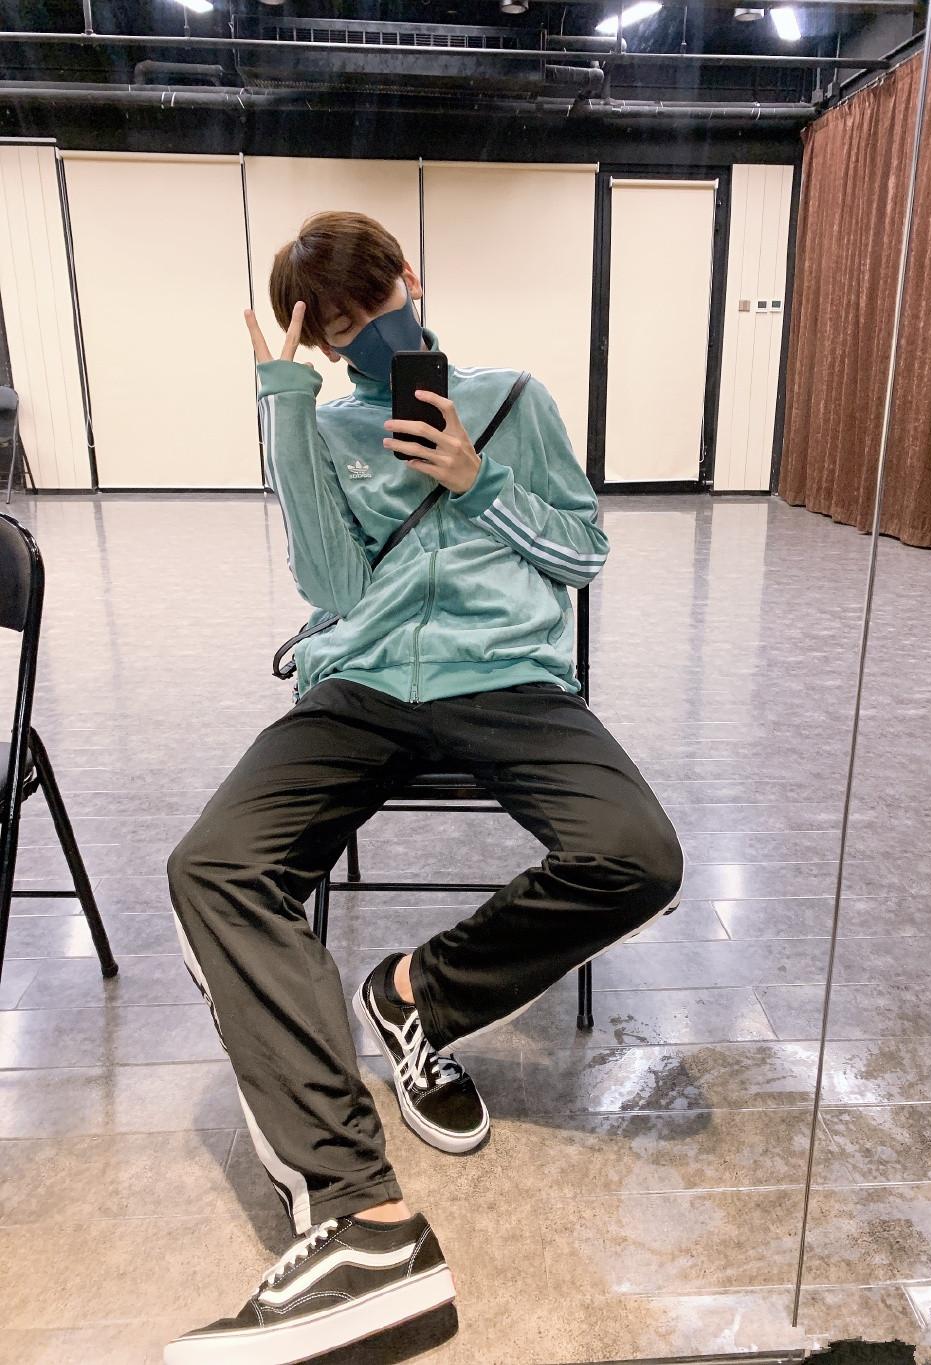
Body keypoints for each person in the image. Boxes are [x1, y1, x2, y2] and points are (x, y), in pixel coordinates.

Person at [163, 210, 685, 1365]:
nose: (363, 344)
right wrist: (285, 403)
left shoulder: (512, 398)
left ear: (411, 278)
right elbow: (332, 585)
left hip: (508, 679)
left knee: (640, 857)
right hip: (363, 684)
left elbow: (583, 553)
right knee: (214, 867)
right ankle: (358, 1214)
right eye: (338, 334)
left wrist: (478, 481)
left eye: (374, 313)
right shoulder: (327, 418)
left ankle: (414, 995)